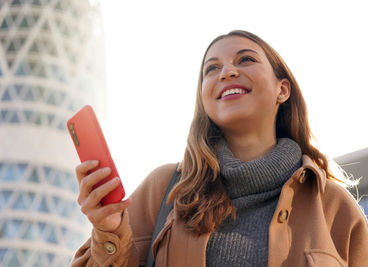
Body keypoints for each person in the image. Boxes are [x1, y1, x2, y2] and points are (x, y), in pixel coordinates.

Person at [70, 30, 368, 267]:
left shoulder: (335, 208)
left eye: (246, 60)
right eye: (211, 69)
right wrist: (108, 231)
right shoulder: (163, 190)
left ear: (282, 89)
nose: (226, 72)